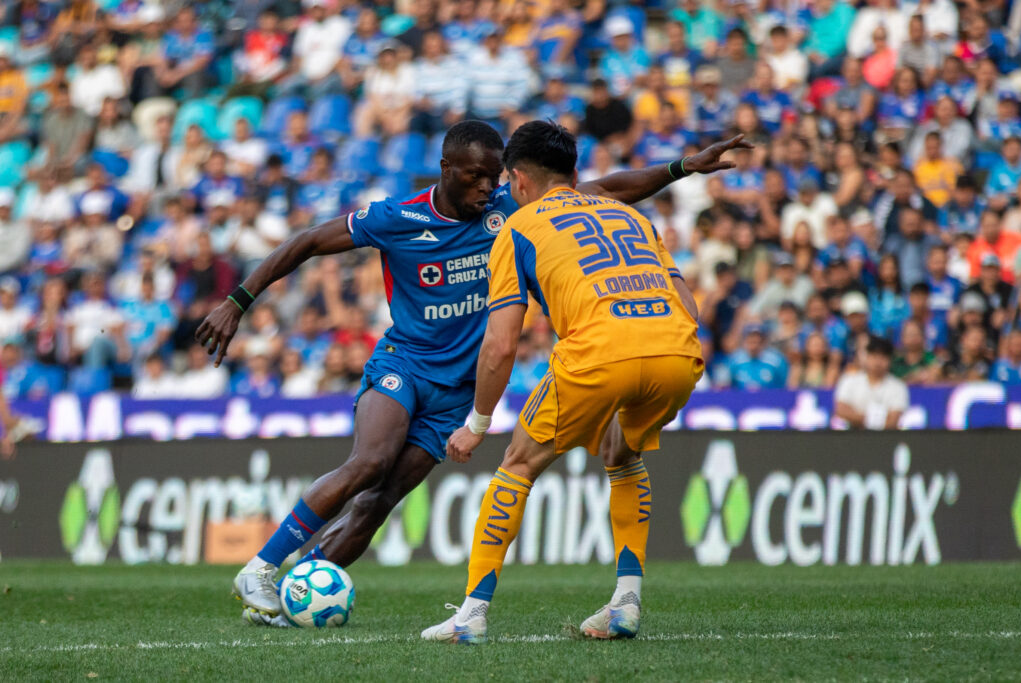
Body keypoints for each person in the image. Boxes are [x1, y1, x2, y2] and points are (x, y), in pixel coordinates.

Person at [196, 120, 750, 623]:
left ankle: (293, 597)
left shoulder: (514, 209)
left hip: (455, 390)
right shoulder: (399, 217)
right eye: (475, 177)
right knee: (370, 461)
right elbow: (308, 242)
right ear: (446, 170)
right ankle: (261, 568)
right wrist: (237, 301)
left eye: (494, 177)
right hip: (404, 365)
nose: (487, 188)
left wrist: (681, 168)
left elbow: (610, 190)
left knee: (379, 503)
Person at [422, 120, 744, 645]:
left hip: (598, 354)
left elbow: (502, 345)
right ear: (573, 173)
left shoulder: (517, 229)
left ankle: (471, 614)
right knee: (623, 454)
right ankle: (626, 601)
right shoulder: (629, 215)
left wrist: (477, 424)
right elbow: (686, 303)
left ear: (518, 181)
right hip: (676, 353)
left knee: (518, 465)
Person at [833, 336, 909, 430]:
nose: (878, 362)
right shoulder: (849, 380)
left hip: (885, 439)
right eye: (874, 356)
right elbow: (841, 411)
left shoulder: (898, 387)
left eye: (883, 357)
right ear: (867, 357)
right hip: (852, 436)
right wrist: (874, 420)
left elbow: (893, 421)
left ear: (890, 360)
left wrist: (858, 417)